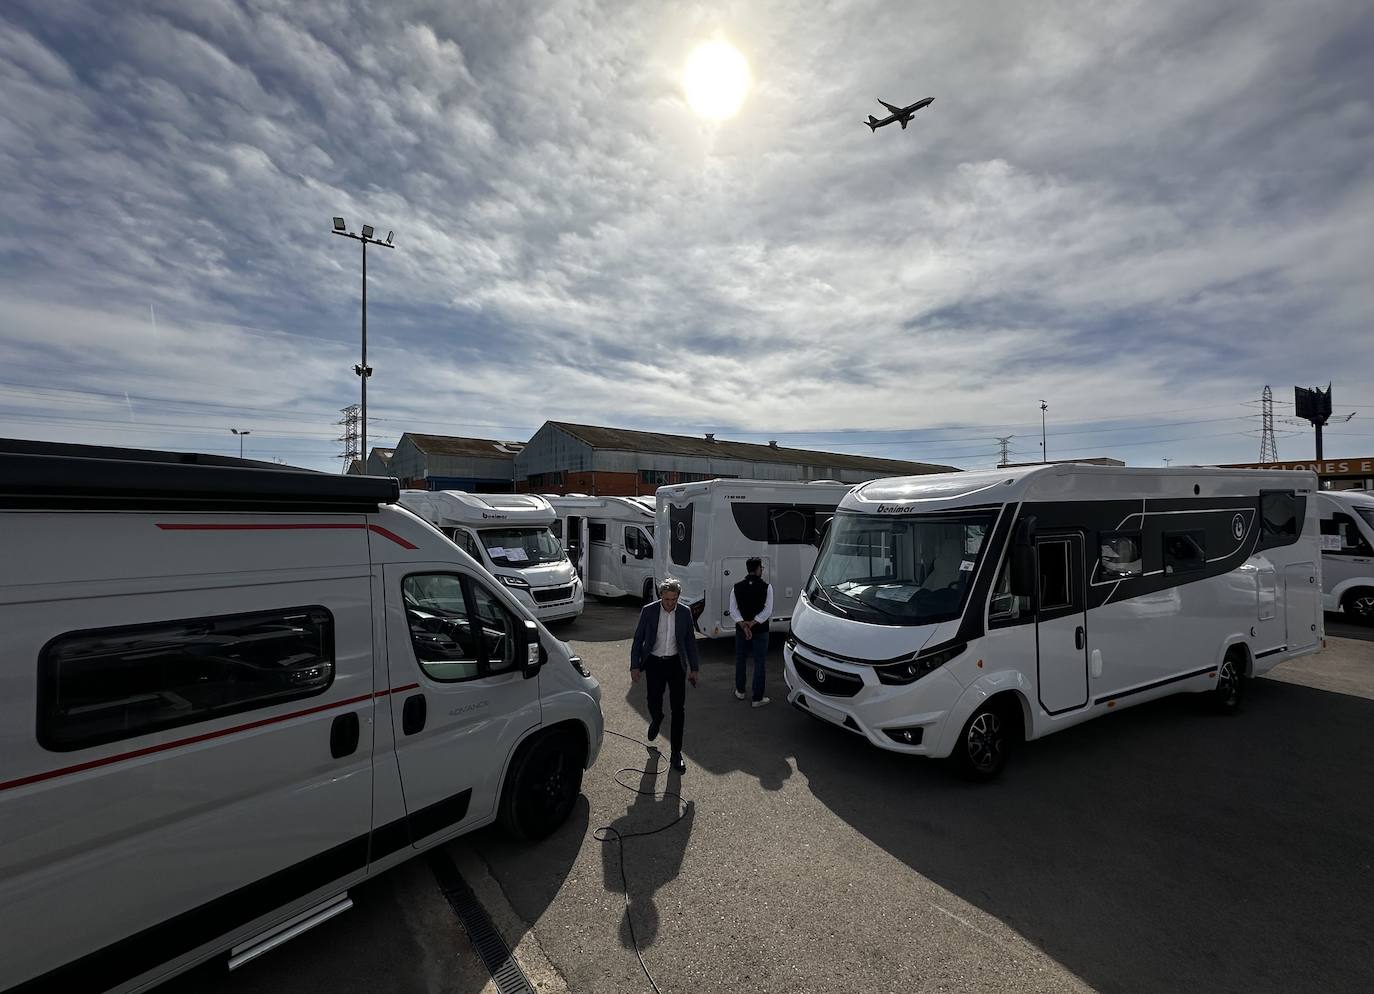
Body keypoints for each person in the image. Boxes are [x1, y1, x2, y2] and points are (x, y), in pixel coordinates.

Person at [630, 577, 701, 773]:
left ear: (678, 597)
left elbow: (689, 642)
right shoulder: (649, 611)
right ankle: (657, 717)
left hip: (676, 664)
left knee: (679, 709)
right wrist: (634, 666)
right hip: (654, 662)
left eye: (673, 599)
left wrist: (694, 669)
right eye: (667, 599)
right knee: (653, 699)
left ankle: (676, 752)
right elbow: (638, 639)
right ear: (660, 595)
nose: (670, 603)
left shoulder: (685, 613)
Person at [729, 557, 773, 707]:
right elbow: (767, 611)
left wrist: (744, 624)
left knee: (740, 659)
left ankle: (740, 691)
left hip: (741, 631)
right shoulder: (767, 587)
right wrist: (754, 622)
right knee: (759, 662)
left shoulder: (736, 587)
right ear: (758, 569)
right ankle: (757, 698)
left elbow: (733, 610)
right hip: (761, 630)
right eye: (762, 568)